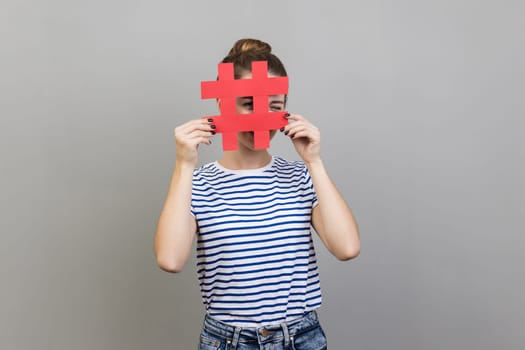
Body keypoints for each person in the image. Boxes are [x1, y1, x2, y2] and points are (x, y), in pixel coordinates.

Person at [154, 38, 360, 350]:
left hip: (300, 338)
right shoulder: (197, 183)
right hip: (228, 341)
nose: (261, 116)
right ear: (223, 102)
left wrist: (314, 161)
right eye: (249, 104)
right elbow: (170, 259)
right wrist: (184, 165)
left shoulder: (300, 175)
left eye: (274, 106)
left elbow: (346, 248)